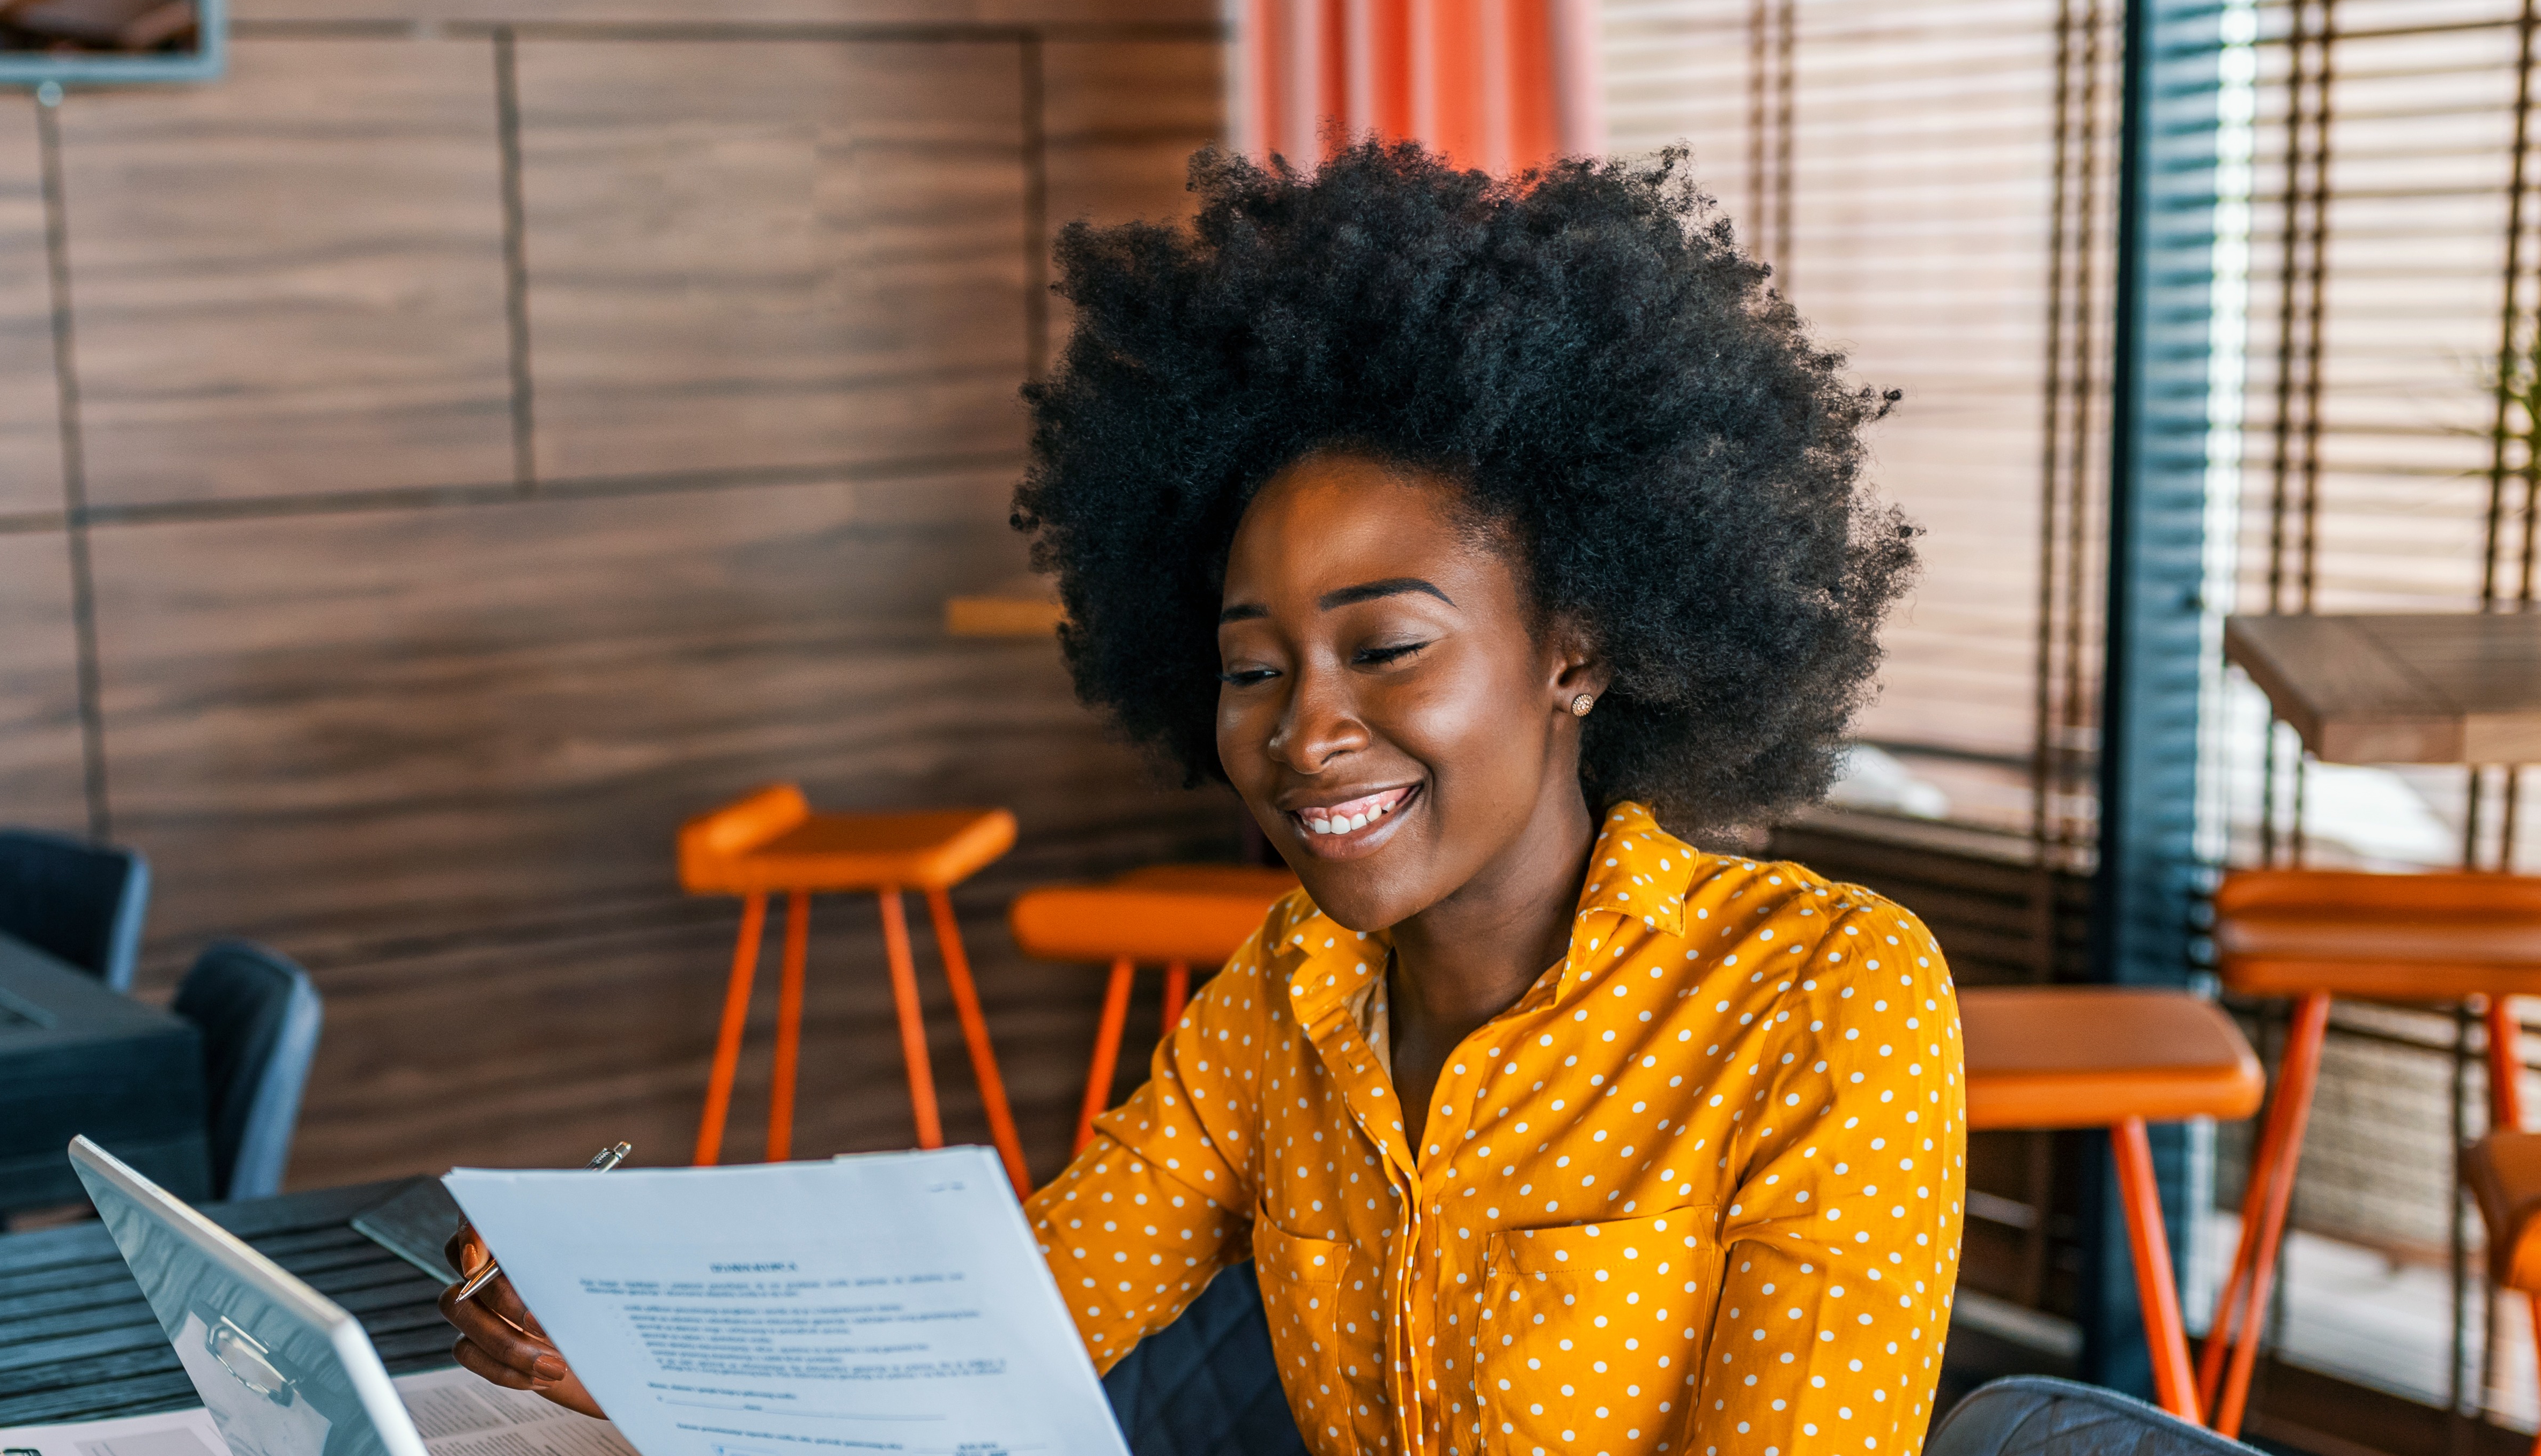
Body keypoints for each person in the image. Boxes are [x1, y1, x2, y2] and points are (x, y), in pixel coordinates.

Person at [440, 140, 1970, 1454]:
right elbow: (1015, 1321)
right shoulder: (1282, 1003)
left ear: (1577, 651)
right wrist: (643, 1342)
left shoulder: (1823, 998)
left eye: (1385, 648)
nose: (1306, 733)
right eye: (1254, 669)